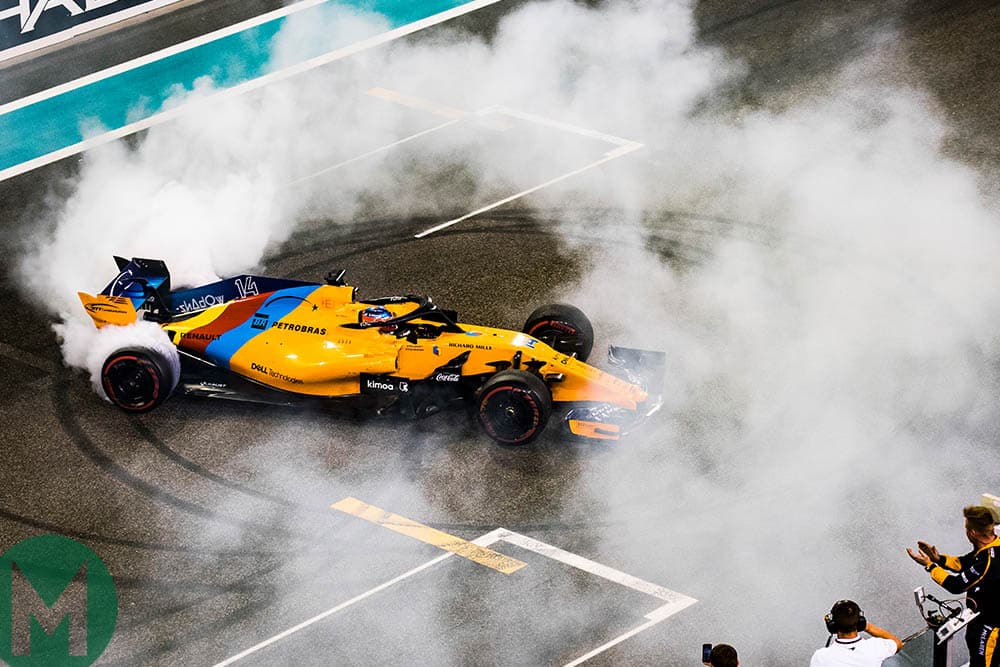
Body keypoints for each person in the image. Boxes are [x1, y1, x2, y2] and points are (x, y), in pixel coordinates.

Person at [907, 505, 1000, 667]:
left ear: (972, 533)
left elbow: (956, 586)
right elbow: (966, 562)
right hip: (983, 620)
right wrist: (938, 559)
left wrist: (930, 566)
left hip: (988, 627)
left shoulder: (987, 561)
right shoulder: (992, 545)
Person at [809, 599, 902, 666]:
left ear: (832, 625)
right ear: (860, 622)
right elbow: (897, 643)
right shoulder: (876, 647)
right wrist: (868, 627)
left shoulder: (820, 657)